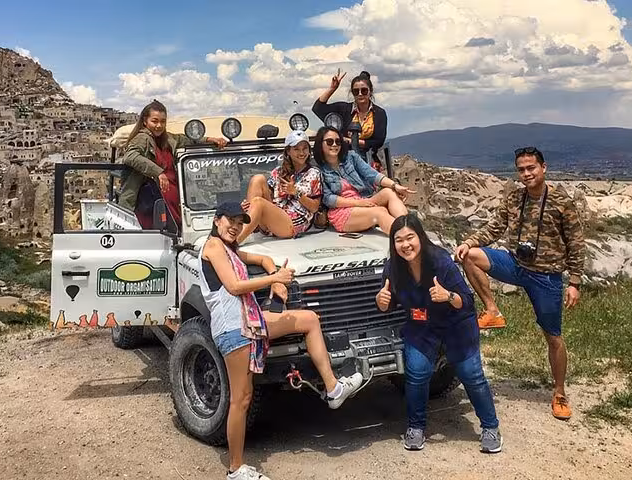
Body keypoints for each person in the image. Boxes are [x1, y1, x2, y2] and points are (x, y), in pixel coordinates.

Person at [200, 202, 363, 480]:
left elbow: (259, 260)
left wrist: (271, 271)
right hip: (232, 328)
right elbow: (234, 286)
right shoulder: (214, 247)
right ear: (217, 221)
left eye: (240, 223)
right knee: (241, 399)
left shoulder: (231, 250)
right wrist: (273, 278)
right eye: (230, 221)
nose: (235, 226)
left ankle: (333, 388)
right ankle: (235, 469)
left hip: (249, 321)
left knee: (309, 319)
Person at [455, 146, 585, 420]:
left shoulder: (561, 201)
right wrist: (468, 242)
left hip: (546, 275)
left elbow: (576, 242)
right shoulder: (515, 198)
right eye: (521, 169)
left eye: (531, 168)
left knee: (553, 337)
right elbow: (494, 228)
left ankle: (559, 392)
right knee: (471, 257)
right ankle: (492, 310)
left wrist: (574, 281)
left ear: (543, 167)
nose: (526, 174)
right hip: (516, 265)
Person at [376, 214, 503, 453]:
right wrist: (381, 301)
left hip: (456, 324)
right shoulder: (392, 267)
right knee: (416, 374)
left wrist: (448, 296)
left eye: (410, 237)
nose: (405, 245)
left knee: (471, 374)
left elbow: (466, 302)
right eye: (399, 240)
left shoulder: (440, 261)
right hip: (421, 325)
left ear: (421, 237)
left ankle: (490, 427)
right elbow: (389, 304)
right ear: (393, 244)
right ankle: (415, 427)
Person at [118, 100, 227, 229]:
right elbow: (130, 156)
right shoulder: (142, 138)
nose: (159, 125)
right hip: (151, 204)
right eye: (155, 121)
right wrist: (158, 172)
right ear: (145, 121)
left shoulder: (167, 139)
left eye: (163, 121)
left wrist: (209, 140)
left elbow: (184, 139)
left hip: (172, 200)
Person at [314, 126, 414, 234]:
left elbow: (372, 175)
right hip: (342, 211)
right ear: (320, 144)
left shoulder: (351, 157)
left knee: (389, 192)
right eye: (329, 142)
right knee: (379, 212)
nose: (334, 145)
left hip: (362, 200)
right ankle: (405, 238)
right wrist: (358, 203)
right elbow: (329, 199)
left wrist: (394, 185)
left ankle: (409, 228)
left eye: (338, 141)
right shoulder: (318, 170)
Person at [237, 130, 322, 243]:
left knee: (258, 202)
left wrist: (296, 192)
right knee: (257, 179)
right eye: (296, 149)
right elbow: (268, 197)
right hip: (274, 218)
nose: (302, 153)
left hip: (292, 224)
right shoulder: (278, 171)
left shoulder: (314, 173)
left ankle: (234, 242)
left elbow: (315, 207)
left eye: (304, 148)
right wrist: (248, 206)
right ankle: (248, 222)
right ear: (288, 151)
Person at [312, 70, 387, 164]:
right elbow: (318, 108)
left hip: (369, 160)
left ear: (370, 91)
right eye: (356, 91)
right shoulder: (343, 109)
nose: (360, 94)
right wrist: (332, 88)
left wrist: (350, 141)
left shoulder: (379, 113)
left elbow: (378, 141)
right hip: (344, 159)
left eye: (364, 90)